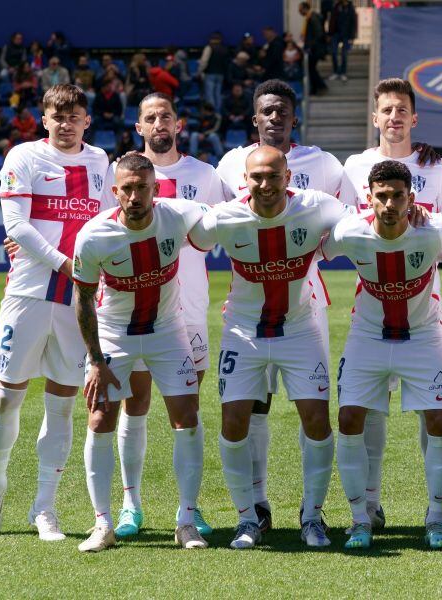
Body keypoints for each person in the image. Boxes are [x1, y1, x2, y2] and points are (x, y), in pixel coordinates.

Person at [189, 146, 351, 549]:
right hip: (244, 332)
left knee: (316, 421)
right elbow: (183, 234)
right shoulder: (224, 217)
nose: (265, 184)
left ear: (288, 177)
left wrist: (416, 215)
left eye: (273, 176)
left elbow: (361, 222)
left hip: (300, 330)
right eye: (256, 177)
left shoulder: (316, 206)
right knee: (234, 423)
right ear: (244, 180)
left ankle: (312, 518)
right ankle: (248, 519)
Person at [0, 84, 109, 541]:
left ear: (86, 120)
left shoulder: (100, 162)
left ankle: (44, 507)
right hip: (29, 293)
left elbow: (107, 222)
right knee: (7, 397)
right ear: (44, 119)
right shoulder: (24, 157)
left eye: (74, 116)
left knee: (62, 404)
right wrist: (66, 264)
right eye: (58, 116)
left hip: (78, 303)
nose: (66, 124)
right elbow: (16, 225)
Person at [96, 92, 229, 539]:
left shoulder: (204, 175)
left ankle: (188, 508)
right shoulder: (120, 173)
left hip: (187, 311)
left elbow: (225, 223)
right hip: (133, 311)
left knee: (186, 410)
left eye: (166, 116)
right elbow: (98, 231)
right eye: (150, 118)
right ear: (139, 127)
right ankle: (130, 505)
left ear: (178, 123)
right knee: (134, 405)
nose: (159, 124)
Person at [216, 79, 343, 534]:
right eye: (266, 111)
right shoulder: (230, 163)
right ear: (255, 118)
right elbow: (211, 220)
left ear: (294, 117)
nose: (275, 118)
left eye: (282, 111)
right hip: (249, 305)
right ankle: (256, 506)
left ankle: (313, 512)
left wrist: (314, 252)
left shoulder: (324, 164)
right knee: (254, 406)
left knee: (314, 410)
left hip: (304, 301)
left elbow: (352, 218)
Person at [338, 77, 442, 535]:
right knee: (367, 410)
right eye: (386, 109)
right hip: (370, 305)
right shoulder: (354, 166)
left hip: (423, 305)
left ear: (414, 118)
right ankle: (367, 507)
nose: (394, 117)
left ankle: (438, 511)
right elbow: (340, 223)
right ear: (375, 117)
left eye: (401, 110)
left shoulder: (436, 167)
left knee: (434, 413)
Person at [71, 153, 210, 552]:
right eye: (127, 189)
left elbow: (224, 219)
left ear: (155, 189)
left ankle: (186, 521)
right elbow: (82, 298)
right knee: (101, 418)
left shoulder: (178, 215)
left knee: (187, 417)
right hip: (115, 334)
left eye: (142, 188)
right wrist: (95, 360)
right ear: (115, 191)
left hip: (168, 331)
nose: (134, 197)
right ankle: (103, 524)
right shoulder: (94, 235)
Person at [299, 2, 328, 94]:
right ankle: (315, 88)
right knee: (310, 68)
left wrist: (310, 46)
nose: (299, 11)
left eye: (300, 9)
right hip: (312, 48)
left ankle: (321, 86)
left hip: (314, 49)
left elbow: (318, 34)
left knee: (311, 68)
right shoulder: (309, 18)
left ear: (305, 8)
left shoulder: (313, 18)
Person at [198, 32, 229, 114]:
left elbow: (204, 61)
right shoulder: (224, 49)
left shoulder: (209, 47)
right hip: (221, 74)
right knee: (218, 95)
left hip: (210, 73)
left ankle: (211, 113)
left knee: (210, 95)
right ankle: (218, 113)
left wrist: (199, 71)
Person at [328, 0, 358, 82]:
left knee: (344, 54)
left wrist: (352, 37)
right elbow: (332, 20)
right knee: (334, 52)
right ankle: (336, 72)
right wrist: (330, 34)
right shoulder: (337, 6)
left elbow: (353, 23)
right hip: (336, 33)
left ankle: (343, 73)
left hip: (346, 34)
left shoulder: (351, 8)